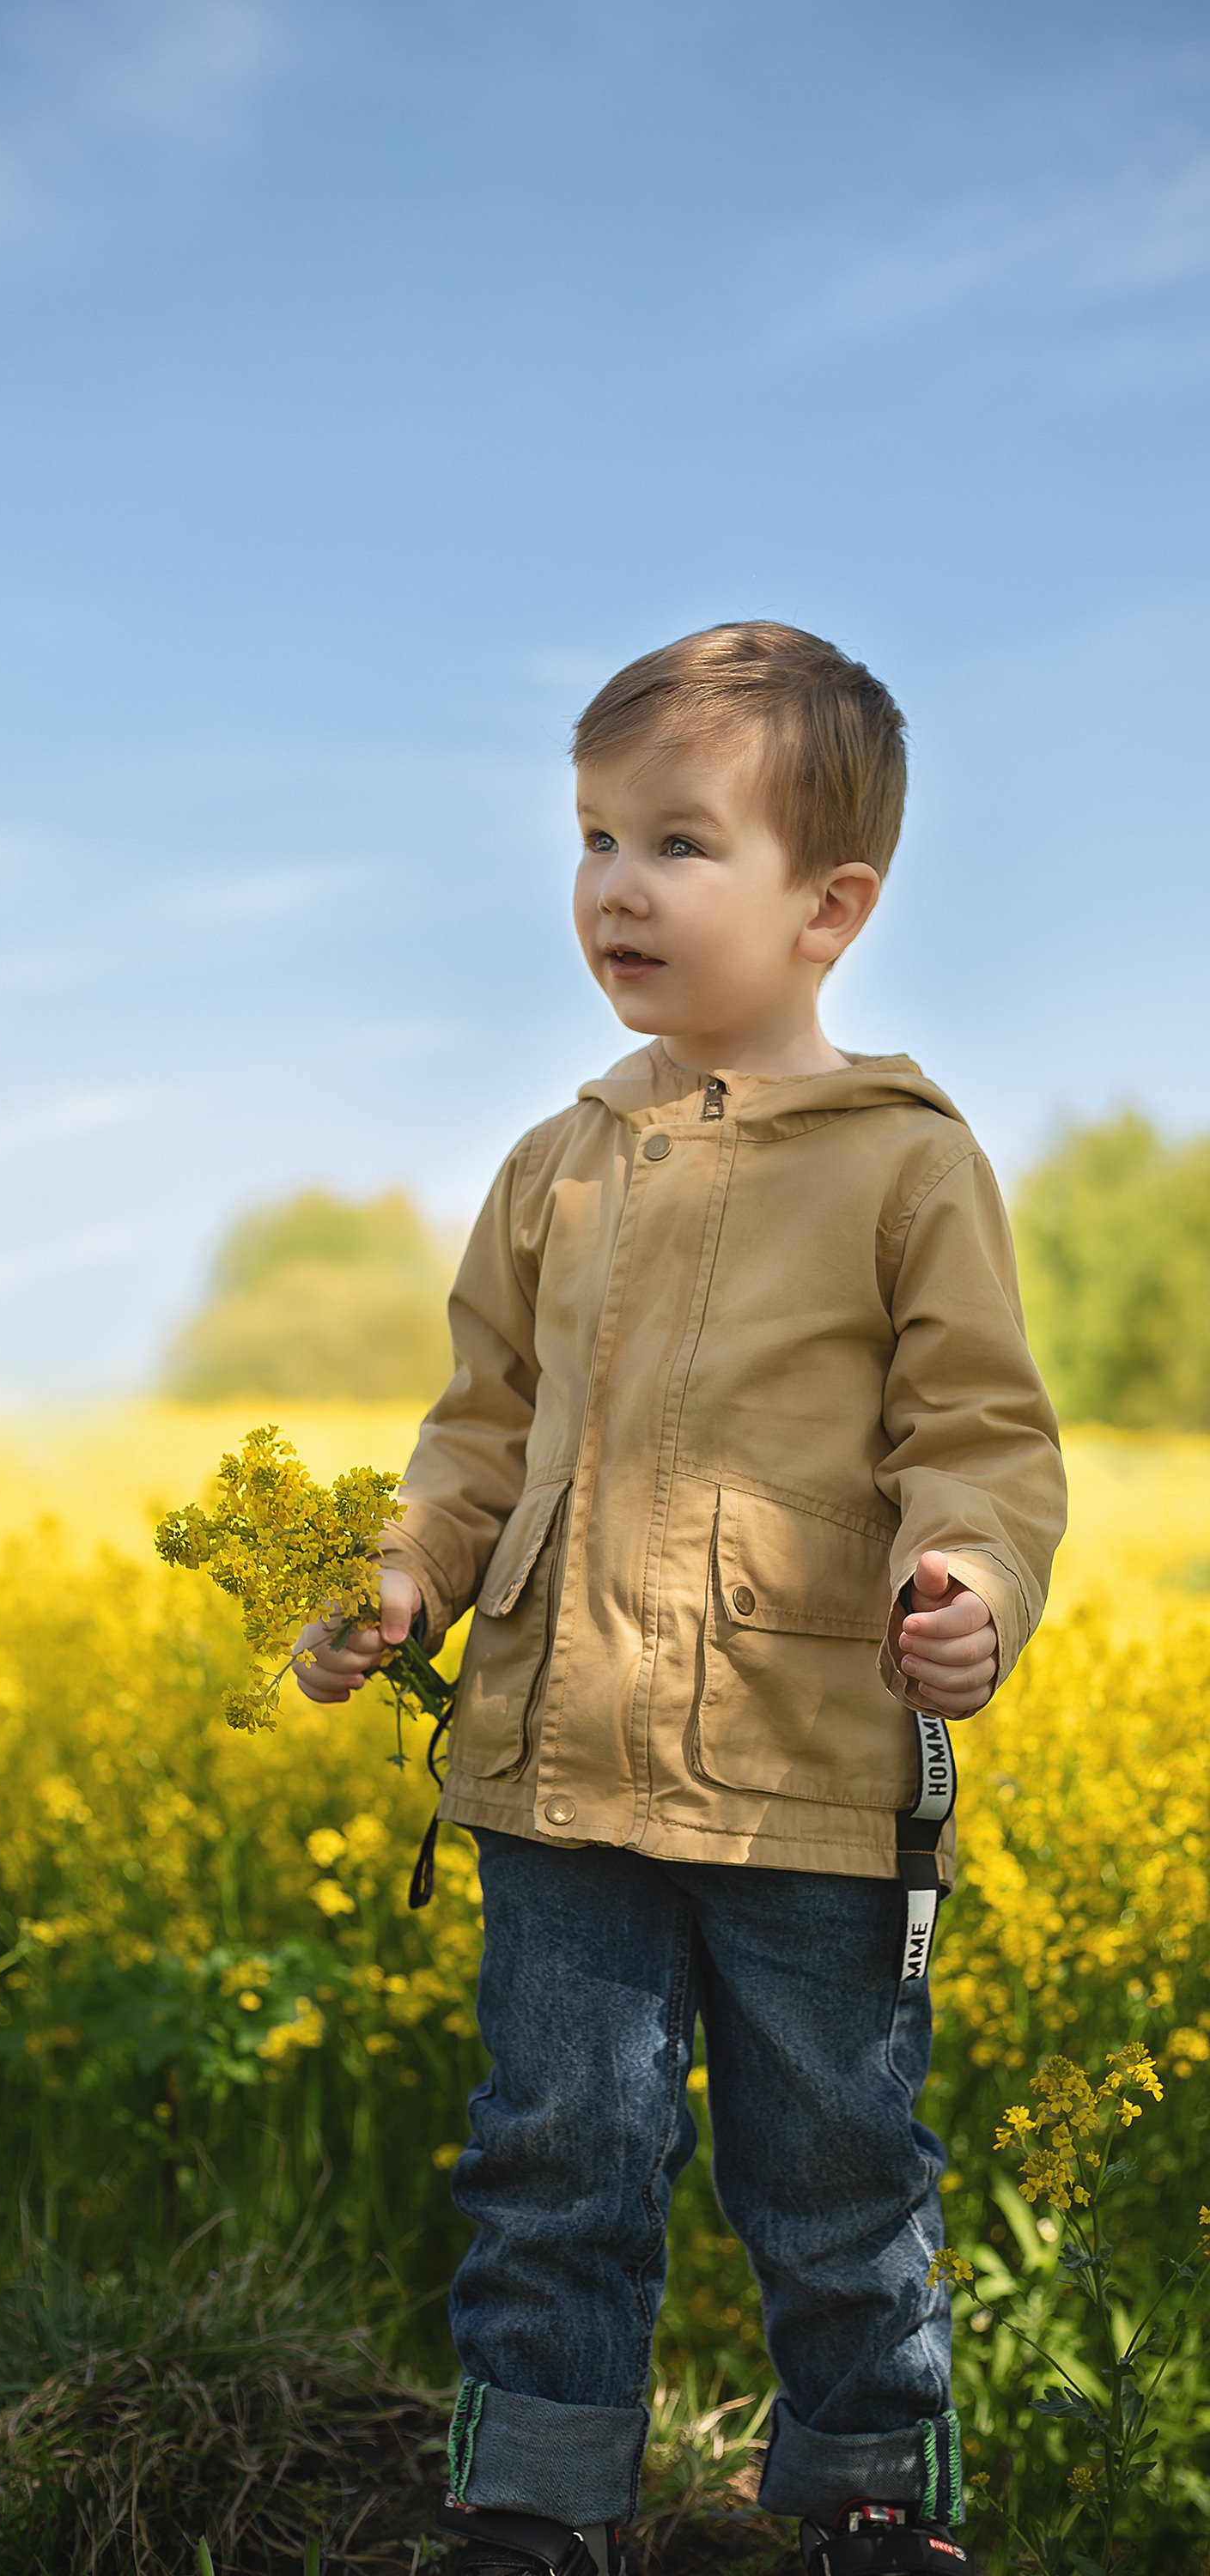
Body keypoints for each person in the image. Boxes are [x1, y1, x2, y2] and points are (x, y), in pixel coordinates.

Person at [292, 623, 1067, 2576]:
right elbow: (478, 1428)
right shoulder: (554, 1168)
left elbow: (974, 1426)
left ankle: (873, 2497)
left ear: (831, 906)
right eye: (592, 838)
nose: (616, 887)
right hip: (556, 1772)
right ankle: (536, 2507)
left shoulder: (906, 1164)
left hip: (813, 1781)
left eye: (678, 844)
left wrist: (967, 1576)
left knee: (837, 2170)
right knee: (553, 2160)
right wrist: (398, 1579)